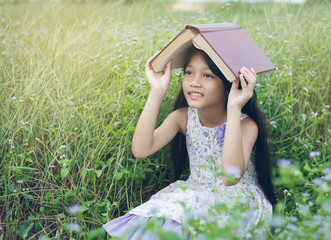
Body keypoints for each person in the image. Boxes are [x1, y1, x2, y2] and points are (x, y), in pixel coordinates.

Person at [103, 48, 277, 239]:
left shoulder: (246, 124)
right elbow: (141, 149)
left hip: (235, 202)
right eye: (188, 72)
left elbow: (229, 178)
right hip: (194, 192)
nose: (194, 82)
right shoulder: (183, 117)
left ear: (228, 84)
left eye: (207, 75)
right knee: (159, 219)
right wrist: (157, 91)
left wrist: (234, 107)